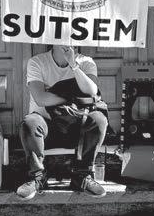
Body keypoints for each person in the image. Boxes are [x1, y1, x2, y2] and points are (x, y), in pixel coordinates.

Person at [16, 45, 107, 199]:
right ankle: (37, 178)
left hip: (77, 127)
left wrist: (73, 65)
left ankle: (82, 176)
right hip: (47, 126)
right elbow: (41, 98)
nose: (69, 41)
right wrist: (76, 97)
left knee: (99, 119)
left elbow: (92, 92)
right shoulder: (37, 62)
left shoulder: (86, 62)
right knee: (30, 122)